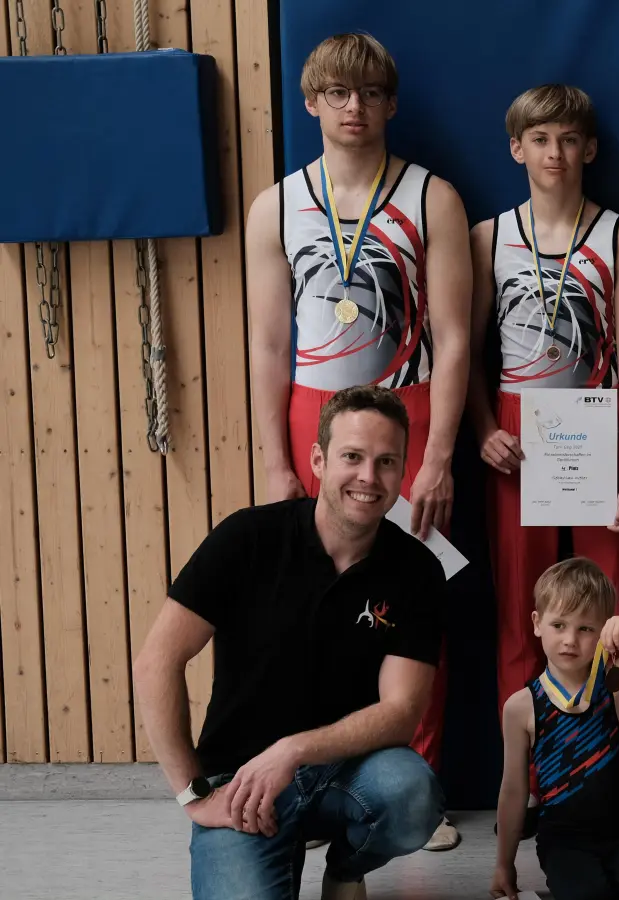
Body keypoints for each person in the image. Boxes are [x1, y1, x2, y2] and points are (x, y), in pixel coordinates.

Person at [243, 32, 471, 849]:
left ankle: (416, 783)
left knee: (410, 595)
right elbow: (269, 344)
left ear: (391, 103)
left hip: (408, 406)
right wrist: (275, 459)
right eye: (337, 93)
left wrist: (439, 453)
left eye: (370, 94)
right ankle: (312, 783)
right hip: (313, 409)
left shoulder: (431, 197)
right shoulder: (275, 205)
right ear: (310, 102)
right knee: (310, 601)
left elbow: (454, 335)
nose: (354, 108)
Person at [132, 386, 447, 900]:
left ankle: (346, 870)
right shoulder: (246, 538)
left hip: (348, 770)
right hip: (241, 782)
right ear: (319, 460)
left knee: (412, 794)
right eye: (352, 457)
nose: (369, 477)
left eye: (386, 461)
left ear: (402, 470)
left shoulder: (418, 570)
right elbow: (155, 663)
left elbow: (401, 712)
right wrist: (193, 794)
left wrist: (294, 750)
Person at [467, 85, 619, 748]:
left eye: (569, 140)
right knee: (524, 608)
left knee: (613, 609)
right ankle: (529, 775)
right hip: (519, 430)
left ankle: (614, 772)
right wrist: (485, 428)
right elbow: (468, 351)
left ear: (589, 149)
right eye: (540, 140)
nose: (555, 153)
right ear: (517, 149)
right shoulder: (488, 237)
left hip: (597, 422)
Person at [490, 558, 619, 900]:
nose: (570, 640)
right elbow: (513, 790)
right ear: (537, 623)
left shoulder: (617, 681)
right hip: (563, 841)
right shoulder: (520, 707)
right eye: (559, 625)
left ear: (604, 631)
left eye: (586, 628)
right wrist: (504, 864)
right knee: (589, 895)